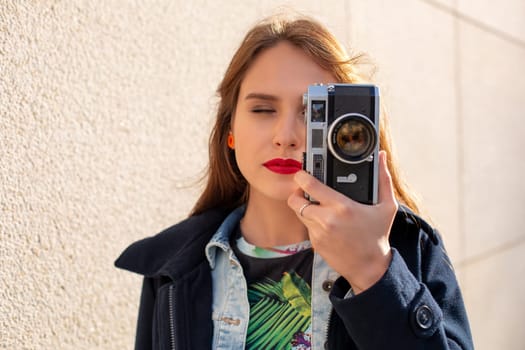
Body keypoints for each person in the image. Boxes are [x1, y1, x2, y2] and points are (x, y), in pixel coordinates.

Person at [115, 12, 474, 350]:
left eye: (313, 113)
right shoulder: (172, 269)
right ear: (230, 132)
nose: (286, 136)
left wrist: (374, 273)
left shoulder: (409, 249)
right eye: (263, 109)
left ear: (352, 131)